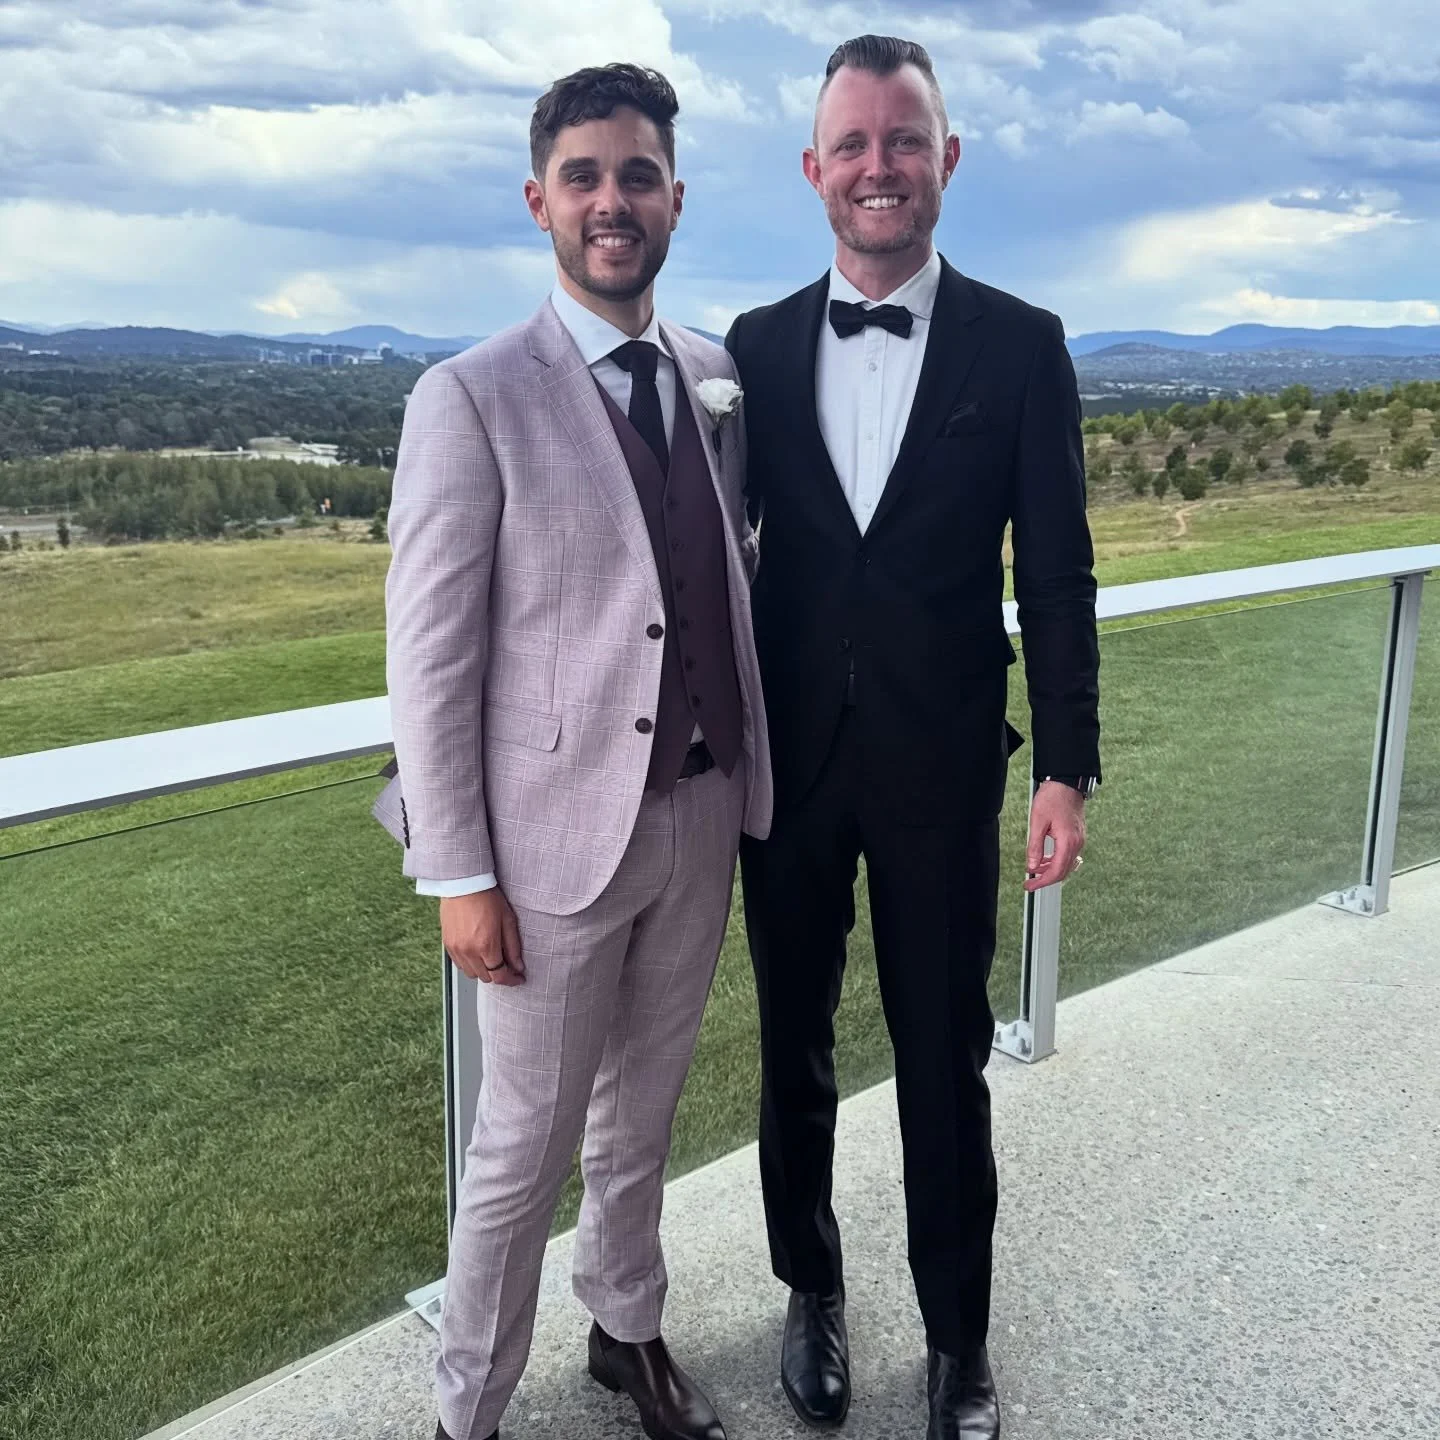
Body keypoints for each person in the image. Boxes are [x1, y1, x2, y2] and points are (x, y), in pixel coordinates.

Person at [375, 62, 771, 1440]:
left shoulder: (712, 375)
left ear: (676, 197)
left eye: (640, 175)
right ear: (540, 200)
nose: (615, 201)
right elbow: (430, 659)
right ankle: (465, 1409)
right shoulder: (470, 396)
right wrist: (456, 871)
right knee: (517, 1153)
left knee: (643, 1117)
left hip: (703, 815)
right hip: (543, 848)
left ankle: (628, 1332)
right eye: (587, 177)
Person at [725, 34, 1101, 1440]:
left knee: (942, 1060)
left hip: (947, 771)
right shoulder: (752, 350)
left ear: (946, 159)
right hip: (792, 769)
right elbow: (699, 562)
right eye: (853, 144)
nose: (878, 167)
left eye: (905, 139)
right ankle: (810, 1290)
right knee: (793, 1051)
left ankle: (958, 1343)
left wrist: (1066, 761)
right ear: (814, 168)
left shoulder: (1023, 345)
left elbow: (1055, 575)